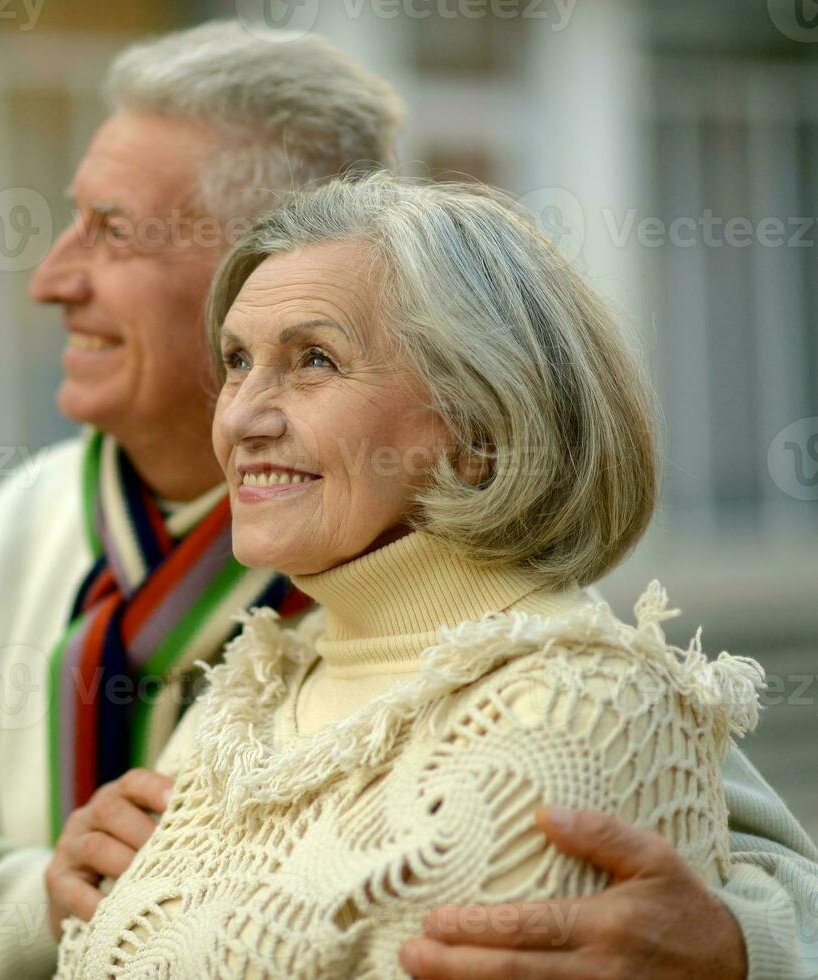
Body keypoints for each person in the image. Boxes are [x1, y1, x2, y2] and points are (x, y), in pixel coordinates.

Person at [0, 21, 818, 980]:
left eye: (109, 232)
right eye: (242, 360)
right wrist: (41, 894)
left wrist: (740, 950)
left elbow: (727, 860)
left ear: (272, 243)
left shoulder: (481, 591)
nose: (49, 277)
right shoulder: (31, 520)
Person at [53, 172, 764, 977]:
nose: (240, 416)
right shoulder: (257, 682)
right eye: (236, 362)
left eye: (312, 360)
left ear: (477, 424)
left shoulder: (572, 704)